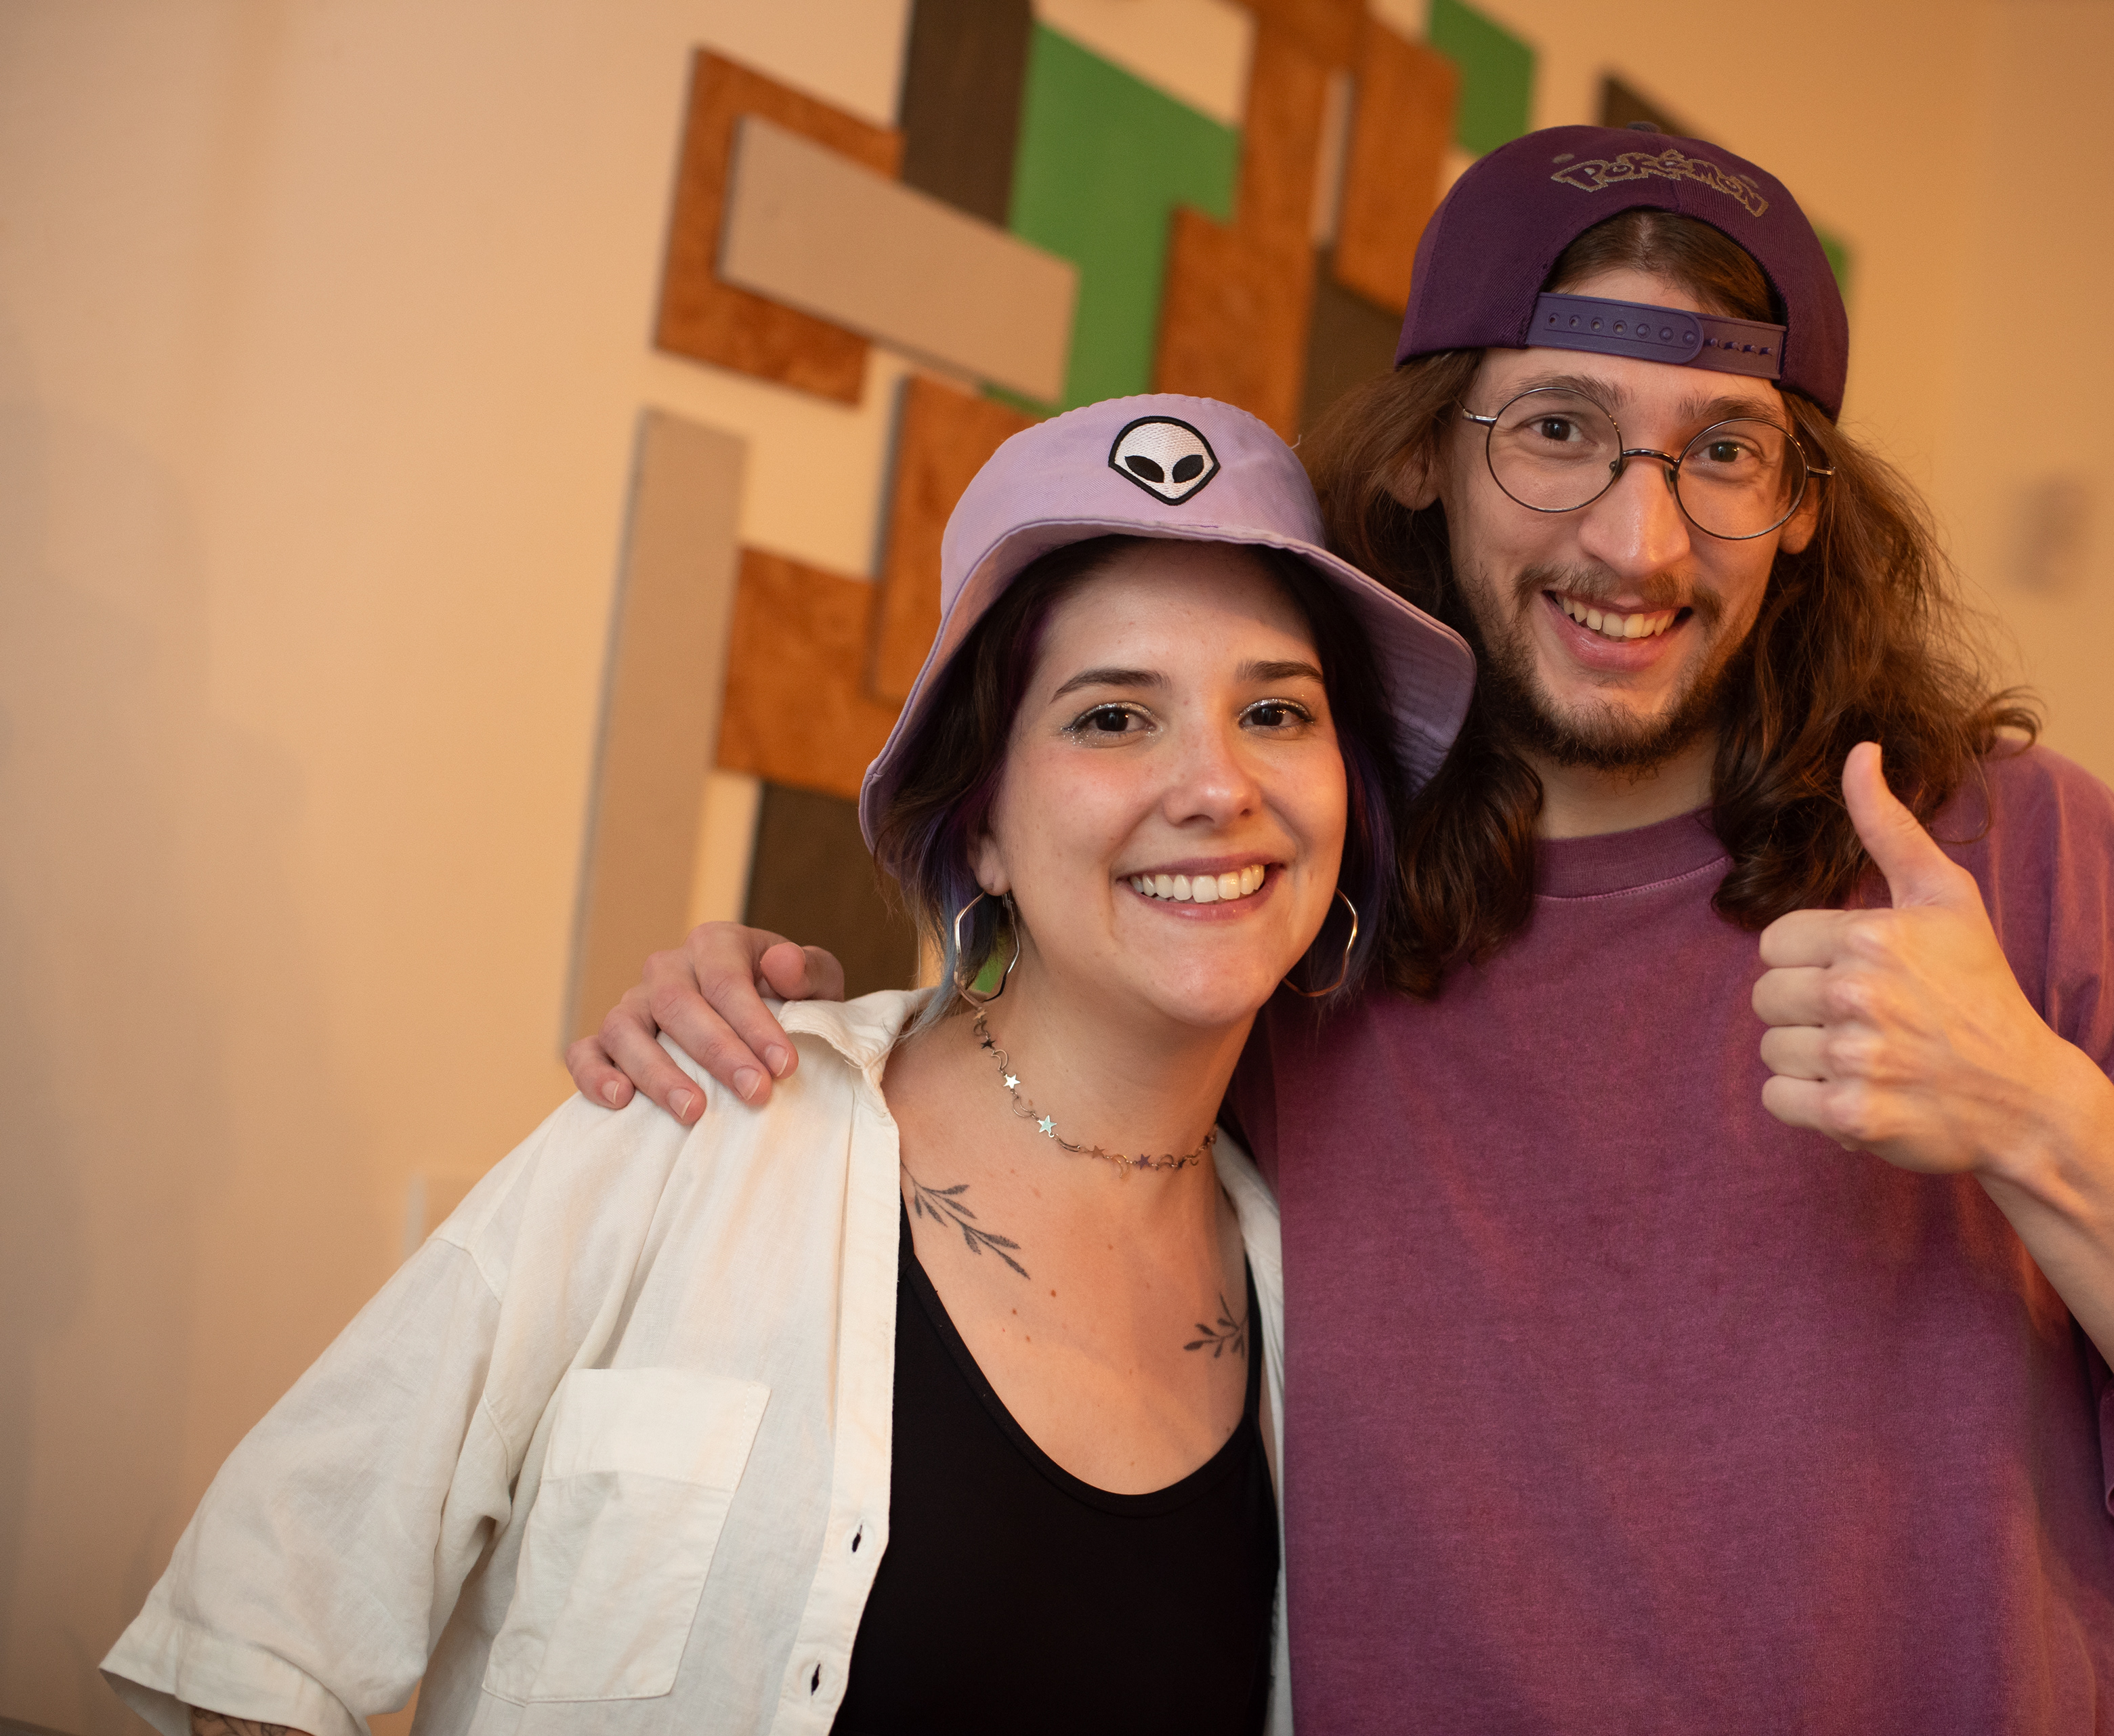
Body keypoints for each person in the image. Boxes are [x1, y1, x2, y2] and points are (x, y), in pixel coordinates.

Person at [572, 128, 2114, 1732]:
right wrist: (766, 1022)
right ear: (1421, 461)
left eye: (1726, 451)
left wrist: (2040, 1120)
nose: (1640, 543)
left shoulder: (2017, 858)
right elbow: (1014, 1065)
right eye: (1557, 430)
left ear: (1803, 511)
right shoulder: (1292, 905)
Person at [101, 395, 1475, 1736]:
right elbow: (257, 1639)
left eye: (1276, 712)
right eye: (1113, 716)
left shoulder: (1319, 1302)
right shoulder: (703, 1115)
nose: (1218, 787)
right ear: (982, 825)